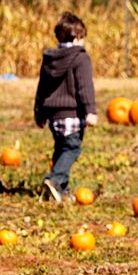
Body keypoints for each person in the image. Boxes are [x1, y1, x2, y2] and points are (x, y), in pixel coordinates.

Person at [34, 11, 97, 202]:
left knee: (60, 149)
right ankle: (54, 180)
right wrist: (91, 111)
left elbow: (42, 87)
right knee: (71, 149)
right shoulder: (80, 58)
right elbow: (85, 86)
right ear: (78, 37)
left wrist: (39, 111)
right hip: (72, 114)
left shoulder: (50, 58)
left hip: (54, 116)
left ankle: (61, 191)